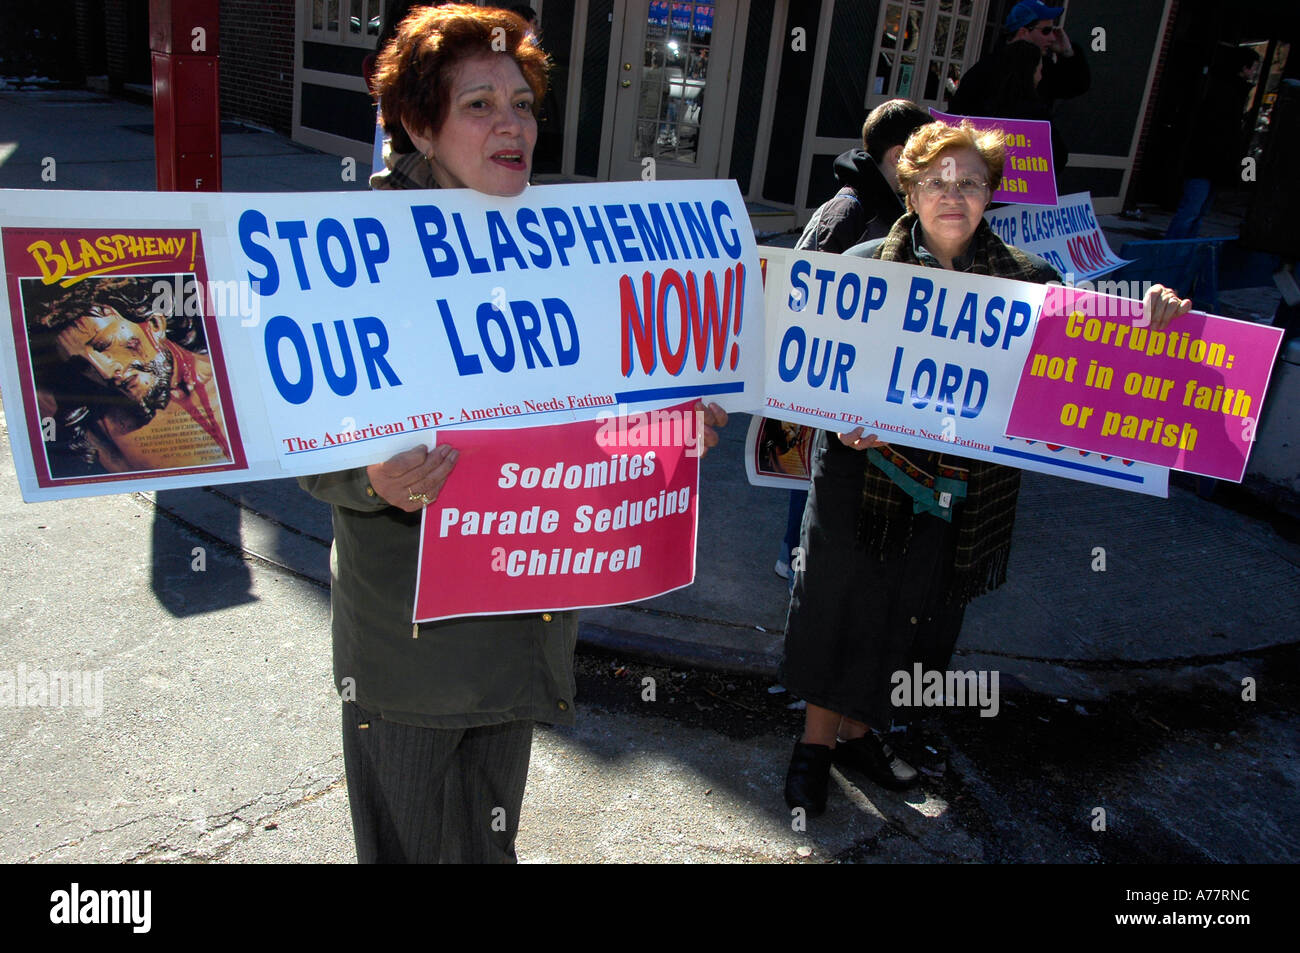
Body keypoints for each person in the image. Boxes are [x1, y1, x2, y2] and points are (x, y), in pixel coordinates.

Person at [301, 4, 725, 863]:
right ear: (419, 124)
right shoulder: (354, 254)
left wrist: (668, 434)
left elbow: (584, 429)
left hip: (521, 627)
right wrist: (369, 479)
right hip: (410, 649)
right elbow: (308, 445)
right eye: (479, 105)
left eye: (523, 103)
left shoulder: (565, 250)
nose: (512, 124)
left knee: (489, 847)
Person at [780, 120, 1192, 815]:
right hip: (862, 475)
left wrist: (1154, 330)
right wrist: (832, 415)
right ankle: (815, 744)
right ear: (908, 191)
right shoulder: (857, 267)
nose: (953, 195)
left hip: (958, 490)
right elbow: (807, 373)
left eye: (969, 181)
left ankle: (861, 733)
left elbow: (1092, 367)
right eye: (935, 181)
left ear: (990, 195)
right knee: (841, 602)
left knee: (918, 613)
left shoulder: (1033, 284)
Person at [773, 99, 933, 582]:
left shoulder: (900, 206)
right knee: (817, 460)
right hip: (835, 367)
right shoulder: (851, 208)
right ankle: (794, 552)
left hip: (873, 366)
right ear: (899, 152)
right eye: (923, 154)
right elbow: (802, 287)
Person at [23, 276, 233, 477]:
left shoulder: (231, 381)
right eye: (83, 366)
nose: (105, 373)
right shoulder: (96, 431)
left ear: (154, 325)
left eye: (103, 345)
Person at [946, 1, 1088, 177]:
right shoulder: (985, 71)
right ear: (1023, 32)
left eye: (1053, 30)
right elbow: (957, 119)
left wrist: (1067, 53)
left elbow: (1075, 86)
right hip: (985, 176)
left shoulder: (1044, 67)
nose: (1052, 37)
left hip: (1020, 179)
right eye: (1045, 31)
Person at [1165, 46, 1261, 240]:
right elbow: (1218, 131)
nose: (1254, 73)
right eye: (1253, 68)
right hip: (1207, 162)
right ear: (1243, 67)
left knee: (1195, 213)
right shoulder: (1225, 92)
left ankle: (1180, 252)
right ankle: (1175, 252)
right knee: (1192, 212)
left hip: (1209, 163)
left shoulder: (1227, 90)